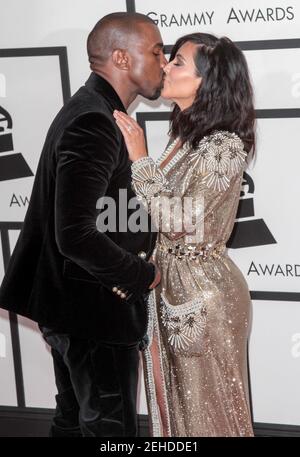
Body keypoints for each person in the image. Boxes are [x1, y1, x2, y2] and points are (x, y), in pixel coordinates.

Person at [0, 12, 166, 437]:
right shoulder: (94, 121)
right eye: (155, 51)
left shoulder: (93, 110)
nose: (163, 62)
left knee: (76, 421)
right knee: (109, 430)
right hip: (92, 312)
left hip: (75, 307)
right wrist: (143, 274)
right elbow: (74, 233)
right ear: (121, 58)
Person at [113, 32, 256, 436]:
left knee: (208, 416)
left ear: (206, 83)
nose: (165, 66)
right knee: (177, 413)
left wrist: (140, 159)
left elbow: (179, 220)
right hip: (174, 287)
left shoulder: (224, 146)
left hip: (202, 295)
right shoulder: (184, 138)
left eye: (178, 62)